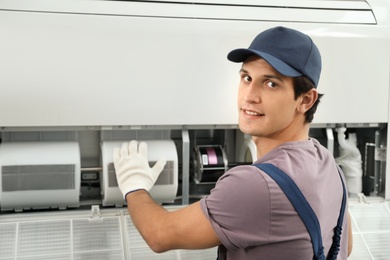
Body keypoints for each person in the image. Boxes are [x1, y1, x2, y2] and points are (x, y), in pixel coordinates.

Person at [113, 26, 352, 259]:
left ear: (306, 100)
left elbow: (160, 234)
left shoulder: (255, 184)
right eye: (247, 78)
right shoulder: (328, 165)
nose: (249, 96)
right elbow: (345, 247)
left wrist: (134, 185)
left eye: (271, 84)